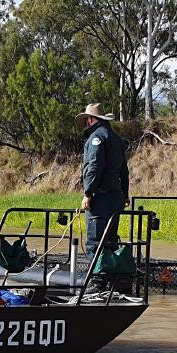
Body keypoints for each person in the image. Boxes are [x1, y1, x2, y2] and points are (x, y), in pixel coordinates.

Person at [76, 103, 130, 256]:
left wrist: (88, 194)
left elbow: (94, 167)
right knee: (110, 241)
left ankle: (96, 278)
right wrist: (125, 194)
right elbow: (124, 172)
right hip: (116, 198)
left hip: (101, 199)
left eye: (87, 120)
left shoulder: (96, 138)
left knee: (95, 243)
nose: (86, 123)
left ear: (91, 119)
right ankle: (112, 277)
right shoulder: (117, 140)